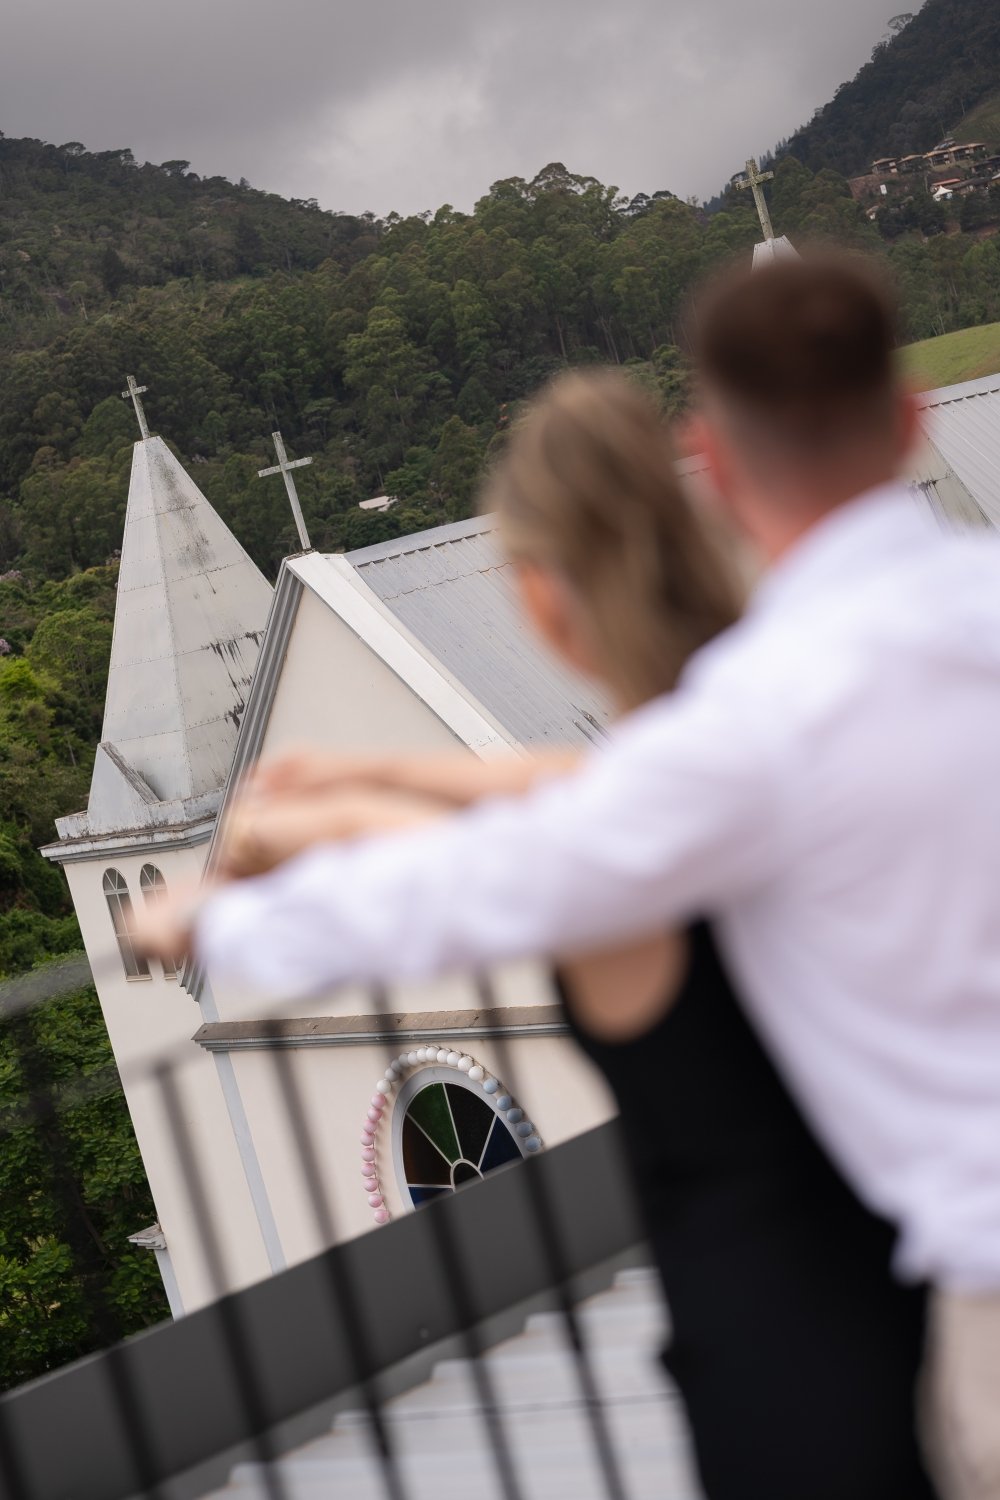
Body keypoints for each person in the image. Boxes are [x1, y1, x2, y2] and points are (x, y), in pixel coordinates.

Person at [139, 254, 1000, 1500]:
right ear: (912, 414)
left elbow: (496, 877)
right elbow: (568, 808)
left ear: (716, 459)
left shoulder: (756, 725)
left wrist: (210, 920)